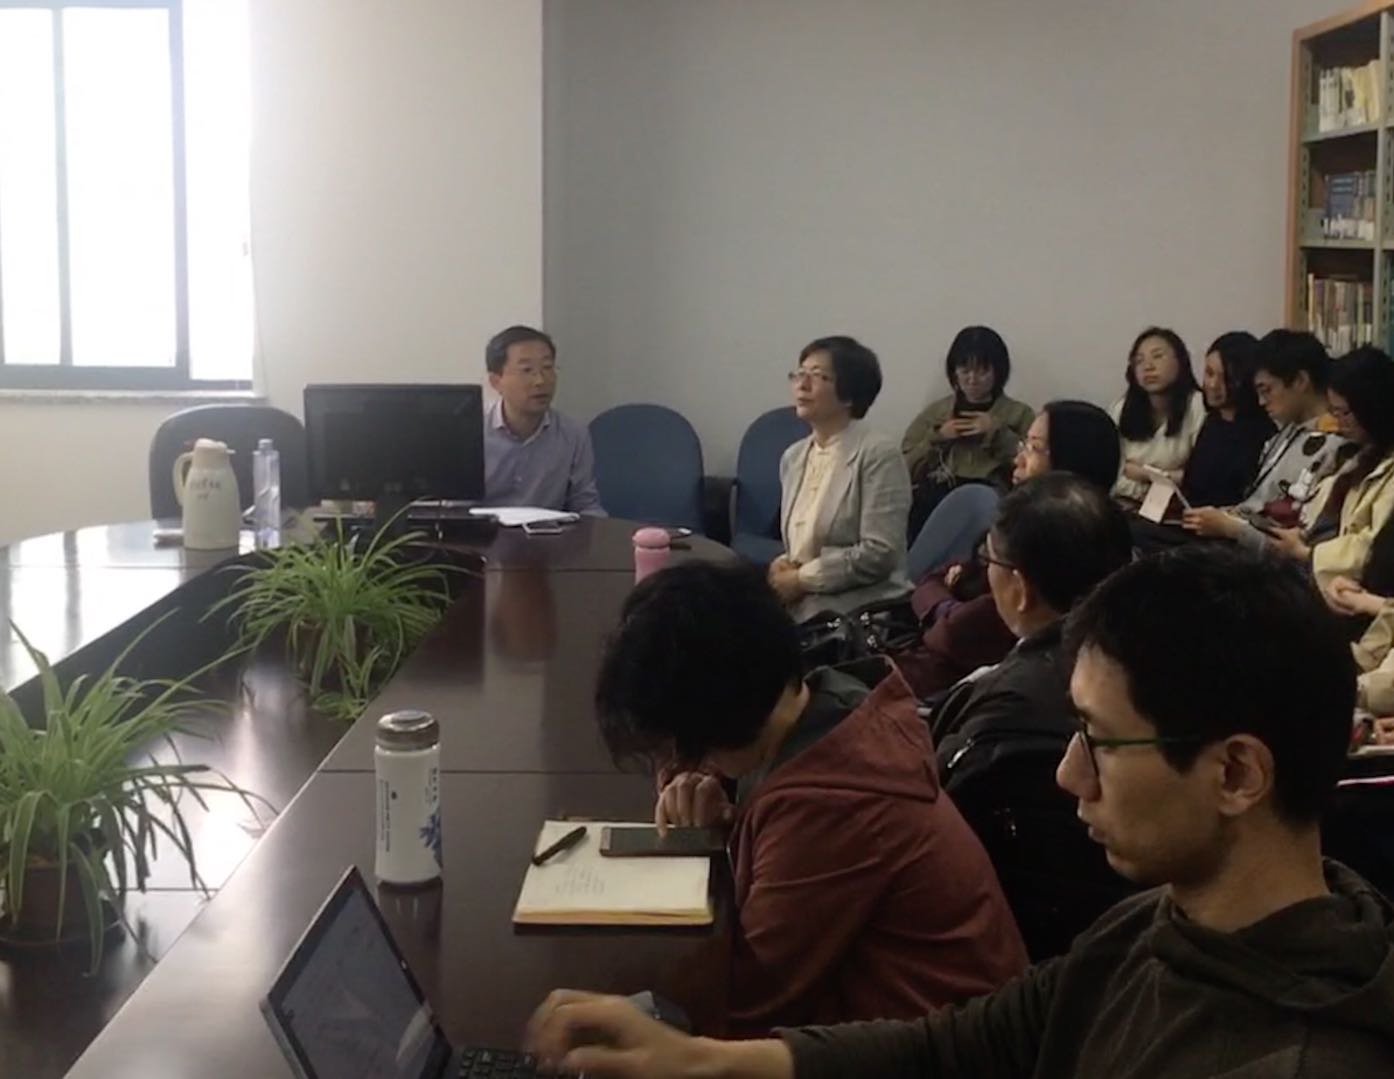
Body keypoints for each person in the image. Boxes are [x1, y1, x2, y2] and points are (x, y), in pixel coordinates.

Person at [529, 546, 1394, 1078]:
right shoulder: (1154, 926)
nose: (1067, 775)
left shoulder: (1297, 1059)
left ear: (1237, 773)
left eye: (1097, 739)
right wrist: (704, 1062)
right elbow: (954, 1045)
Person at [593, 560, 1027, 1034]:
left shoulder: (831, 805)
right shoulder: (827, 706)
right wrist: (713, 789)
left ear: (715, 721)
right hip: (896, 1021)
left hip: (928, 1047)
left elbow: (741, 1005)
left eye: (683, 742)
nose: (681, 758)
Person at [900, 400, 1122, 700]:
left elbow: (955, 633)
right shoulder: (1016, 517)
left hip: (942, 689)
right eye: (1024, 445)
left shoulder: (1056, 543)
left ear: (1071, 460)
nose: (1018, 458)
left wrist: (942, 604)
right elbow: (935, 580)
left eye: (1034, 448)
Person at [929, 473, 1133, 782]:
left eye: (988, 558)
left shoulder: (1005, 710)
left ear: (1021, 588)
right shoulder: (1133, 660)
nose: (986, 572)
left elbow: (935, 789)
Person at [772, 336, 912, 623]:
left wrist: (801, 579)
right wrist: (783, 565)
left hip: (862, 611)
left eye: (817, 375)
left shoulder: (878, 454)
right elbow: (802, 544)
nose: (802, 384)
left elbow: (880, 553)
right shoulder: (793, 457)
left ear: (849, 395)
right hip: (804, 603)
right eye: (799, 373)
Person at [1183, 329, 1346, 547]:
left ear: (1300, 381)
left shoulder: (1337, 445)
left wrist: (1231, 527)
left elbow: (1300, 538)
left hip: (1267, 557)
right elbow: (1258, 503)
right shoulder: (1287, 433)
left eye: (1267, 390)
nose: (1261, 401)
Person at [1263, 347, 1394, 590]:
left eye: (1344, 412)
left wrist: (1307, 553)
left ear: (1372, 407)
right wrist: (1301, 535)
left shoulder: (1384, 467)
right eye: (1334, 411)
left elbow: (1373, 546)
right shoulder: (1359, 455)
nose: (1338, 421)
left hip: (1351, 587)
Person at [900, 326, 1035, 541]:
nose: (972, 379)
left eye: (982, 371)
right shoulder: (936, 413)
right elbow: (903, 467)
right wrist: (938, 438)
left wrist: (998, 434)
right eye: (965, 370)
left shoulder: (1019, 414)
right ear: (954, 371)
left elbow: (1035, 468)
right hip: (935, 499)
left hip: (994, 501)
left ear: (998, 372)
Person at [480, 325, 605, 514]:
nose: (540, 381)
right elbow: (452, 507)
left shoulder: (573, 434)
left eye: (547, 368)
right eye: (527, 370)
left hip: (548, 532)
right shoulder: (471, 432)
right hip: (482, 532)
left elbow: (585, 503)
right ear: (496, 381)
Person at [1178, 331, 1274, 508]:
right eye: (1209, 373)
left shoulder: (1262, 432)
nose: (1213, 385)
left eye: (1226, 378)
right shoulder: (1212, 421)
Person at [1110, 326, 1206, 503]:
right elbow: (1112, 473)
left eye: (1158, 356)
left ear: (1180, 361)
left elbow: (1198, 478)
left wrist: (1141, 473)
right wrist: (1165, 480)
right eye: (1139, 361)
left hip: (1181, 509)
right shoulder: (1121, 408)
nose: (1148, 367)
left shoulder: (1198, 405)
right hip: (1124, 503)